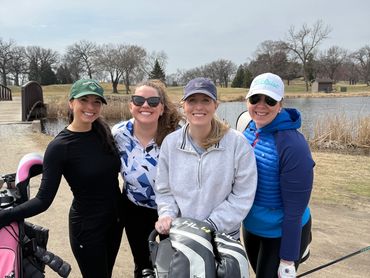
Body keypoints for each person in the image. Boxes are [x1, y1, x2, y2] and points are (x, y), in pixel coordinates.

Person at [0, 79, 124, 278]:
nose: (91, 107)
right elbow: (43, 200)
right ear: (71, 102)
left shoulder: (103, 133)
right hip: (87, 228)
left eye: (97, 102)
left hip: (114, 223)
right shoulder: (60, 147)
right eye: (84, 100)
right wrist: (5, 216)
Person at [153, 77, 257, 239]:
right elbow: (164, 190)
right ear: (183, 105)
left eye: (206, 100)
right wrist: (167, 214)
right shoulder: (170, 143)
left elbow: (242, 195)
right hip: (182, 236)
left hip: (224, 237)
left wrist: (210, 225)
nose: (199, 107)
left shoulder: (237, 143)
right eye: (192, 100)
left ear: (216, 105)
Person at [241, 72, 315, 278]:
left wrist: (288, 258)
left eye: (270, 100)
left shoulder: (294, 145)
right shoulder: (250, 128)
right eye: (255, 99)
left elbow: (295, 208)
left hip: (282, 232)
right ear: (247, 100)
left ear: (280, 104)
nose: (261, 105)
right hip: (252, 225)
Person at [112, 80, 183, 278]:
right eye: (139, 100)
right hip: (135, 209)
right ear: (131, 105)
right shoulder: (118, 134)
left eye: (153, 101)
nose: (145, 105)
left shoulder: (177, 135)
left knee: (175, 264)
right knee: (143, 264)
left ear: (161, 108)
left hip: (174, 210)